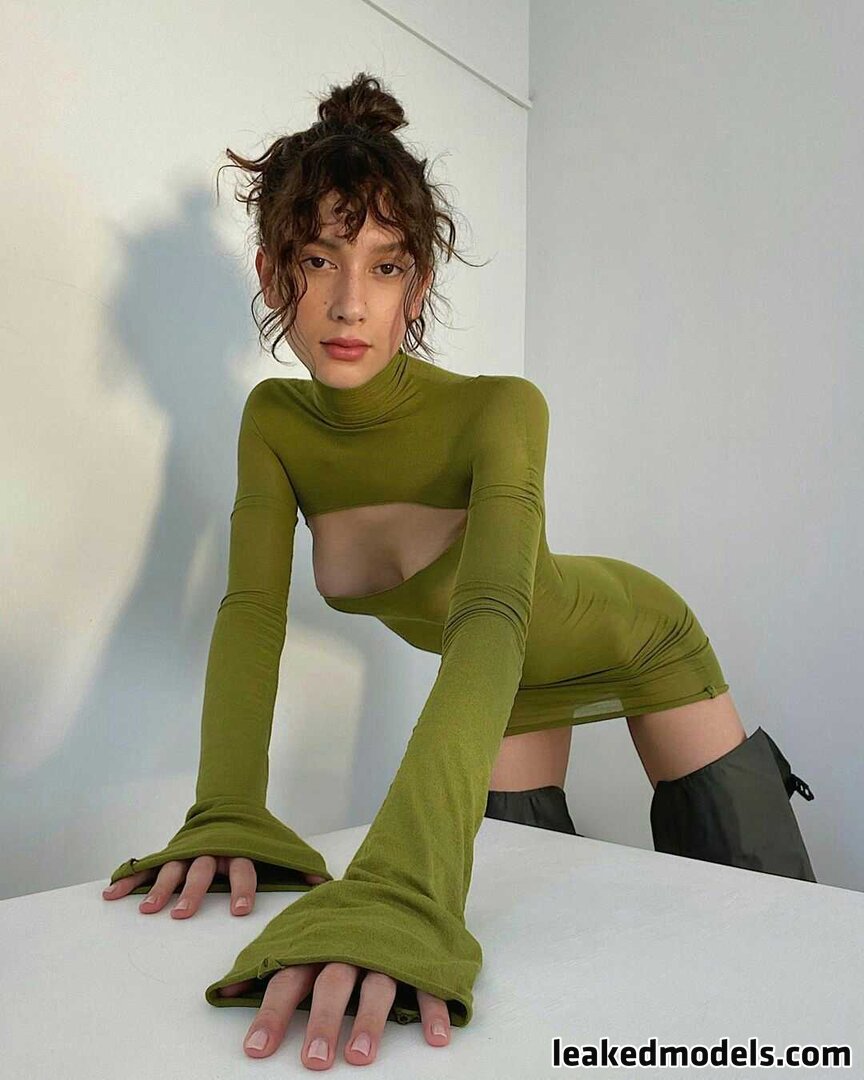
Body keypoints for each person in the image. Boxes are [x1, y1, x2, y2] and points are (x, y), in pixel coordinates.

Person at [102, 72, 817, 1070]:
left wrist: (393, 884)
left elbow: (490, 616)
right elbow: (251, 613)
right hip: (502, 688)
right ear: (271, 274)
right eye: (319, 260)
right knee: (536, 918)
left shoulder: (499, 409)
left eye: (386, 266)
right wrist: (227, 807)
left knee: (763, 910)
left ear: (418, 285)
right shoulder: (274, 424)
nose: (350, 303)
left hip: (633, 639)